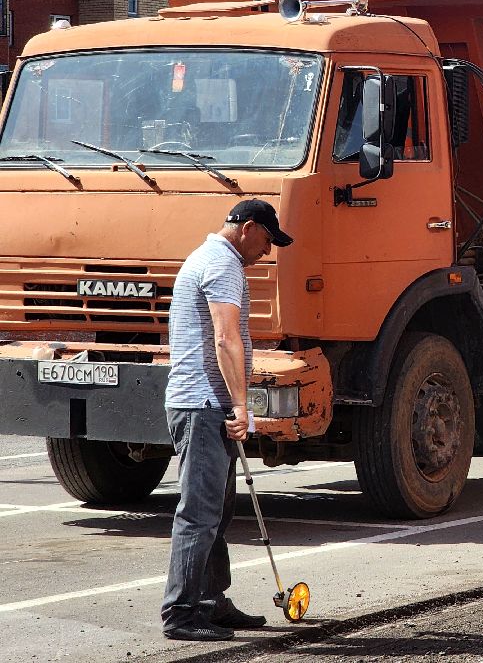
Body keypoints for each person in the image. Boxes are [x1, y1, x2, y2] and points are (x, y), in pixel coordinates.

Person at [160, 199, 293, 641]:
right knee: (199, 514)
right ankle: (180, 613)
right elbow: (225, 338)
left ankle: (211, 601)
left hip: (205, 403)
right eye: (267, 239)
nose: (268, 250)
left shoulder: (211, 258)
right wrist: (241, 407)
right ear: (248, 228)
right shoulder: (223, 264)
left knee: (216, 511)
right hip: (203, 405)